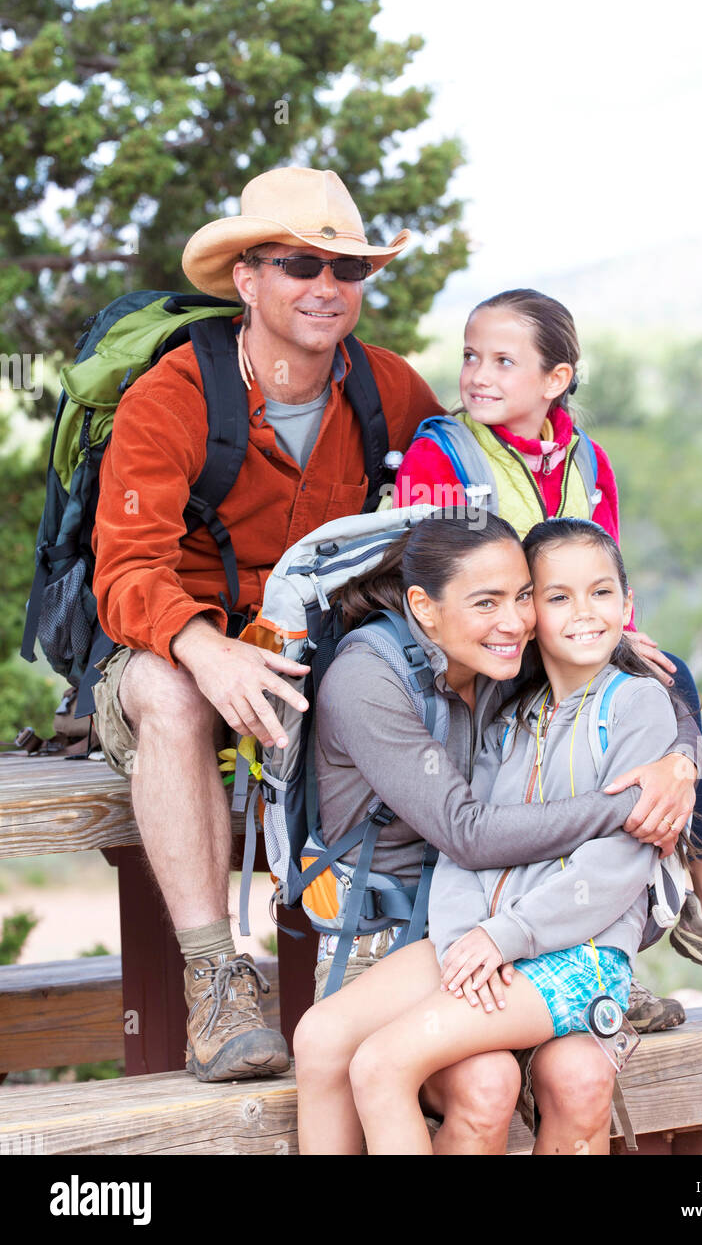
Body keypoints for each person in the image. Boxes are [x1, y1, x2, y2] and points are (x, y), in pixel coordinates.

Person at [90, 166, 444, 1083]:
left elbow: (462, 521)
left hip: (314, 649)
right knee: (170, 692)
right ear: (247, 277)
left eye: (348, 270)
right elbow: (126, 573)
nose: (328, 288)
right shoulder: (172, 396)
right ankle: (216, 980)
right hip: (174, 643)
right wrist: (208, 650)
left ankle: (525, 942)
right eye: (300, 264)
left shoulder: (390, 391)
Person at [393, 287, 702, 1015]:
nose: (479, 376)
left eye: (504, 360)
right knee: (606, 755)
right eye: (471, 357)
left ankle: (624, 950)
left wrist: (618, 632)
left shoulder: (587, 463)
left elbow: (603, 573)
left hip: (562, 643)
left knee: (656, 678)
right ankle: (698, 911)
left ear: (556, 379)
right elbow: (438, 582)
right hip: (486, 658)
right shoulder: (442, 455)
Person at [295, 509, 701, 1154]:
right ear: (424, 608)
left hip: (557, 943)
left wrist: (682, 761)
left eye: (521, 599)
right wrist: (475, 941)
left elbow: (653, 693)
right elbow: (470, 837)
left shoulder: (517, 670)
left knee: (391, 1065)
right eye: (492, 602)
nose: (514, 621)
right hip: (433, 927)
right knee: (322, 1038)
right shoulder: (425, 690)